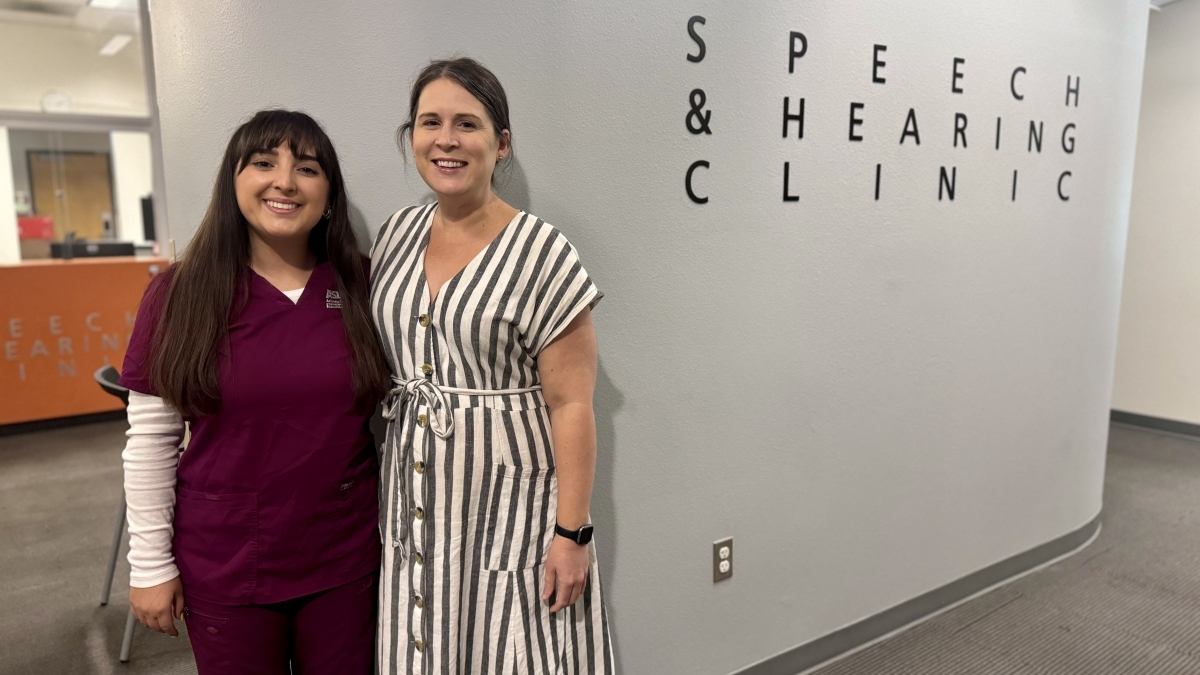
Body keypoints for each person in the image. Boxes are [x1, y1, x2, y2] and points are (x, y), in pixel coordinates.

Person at [119, 109, 390, 674]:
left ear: (329, 193)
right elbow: (150, 440)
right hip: (227, 561)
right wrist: (148, 565)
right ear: (232, 181)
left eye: (307, 168)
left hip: (344, 557)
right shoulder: (179, 294)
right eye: (264, 162)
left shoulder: (364, 285)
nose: (285, 181)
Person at [370, 57, 613, 675]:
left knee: (513, 648)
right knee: (422, 636)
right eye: (430, 123)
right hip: (413, 487)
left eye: (466, 124)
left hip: (510, 502)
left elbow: (573, 403)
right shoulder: (395, 236)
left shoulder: (543, 252)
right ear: (412, 137)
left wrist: (572, 533)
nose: (446, 140)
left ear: (500, 144)